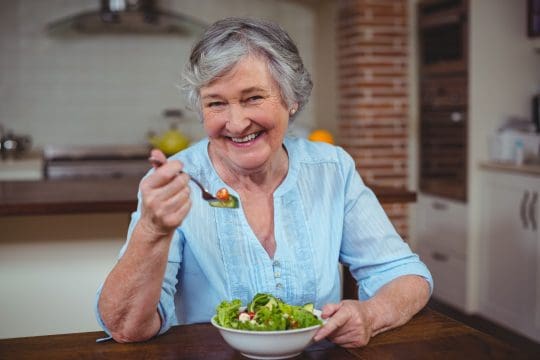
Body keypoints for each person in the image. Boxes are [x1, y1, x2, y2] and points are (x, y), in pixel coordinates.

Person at [96, 17, 432, 348]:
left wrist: (371, 314)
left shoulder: (331, 169)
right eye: (216, 103)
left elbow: (405, 275)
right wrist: (152, 230)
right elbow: (127, 327)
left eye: (253, 98)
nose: (237, 123)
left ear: (291, 98)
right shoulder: (176, 180)